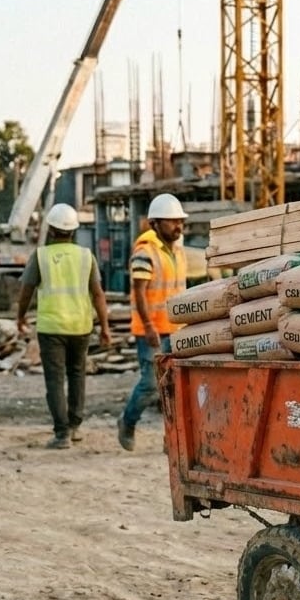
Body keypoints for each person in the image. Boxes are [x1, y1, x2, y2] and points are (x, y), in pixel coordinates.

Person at [15, 203, 112, 449]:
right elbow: (98, 294)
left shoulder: (40, 256)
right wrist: (105, 328)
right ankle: (76, 426)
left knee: (55, 380)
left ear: (51, 229)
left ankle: (61, 434)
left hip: (51, 328)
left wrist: (20, 317)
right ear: (74, 230)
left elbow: (26, 291)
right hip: (80, 327)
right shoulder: (85, 256)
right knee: (77, 375)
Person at [117, 193, 188, 451]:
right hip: (153, 331)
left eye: (180, 221)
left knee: (174, 388)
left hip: (177, 329)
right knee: (149, 384)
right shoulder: (145, 252)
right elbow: (138, 290)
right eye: (172, 222)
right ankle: (127, 421)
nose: (178, 226)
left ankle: (172, 440)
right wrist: (148, 326)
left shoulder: (176, 251)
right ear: (155, 223)